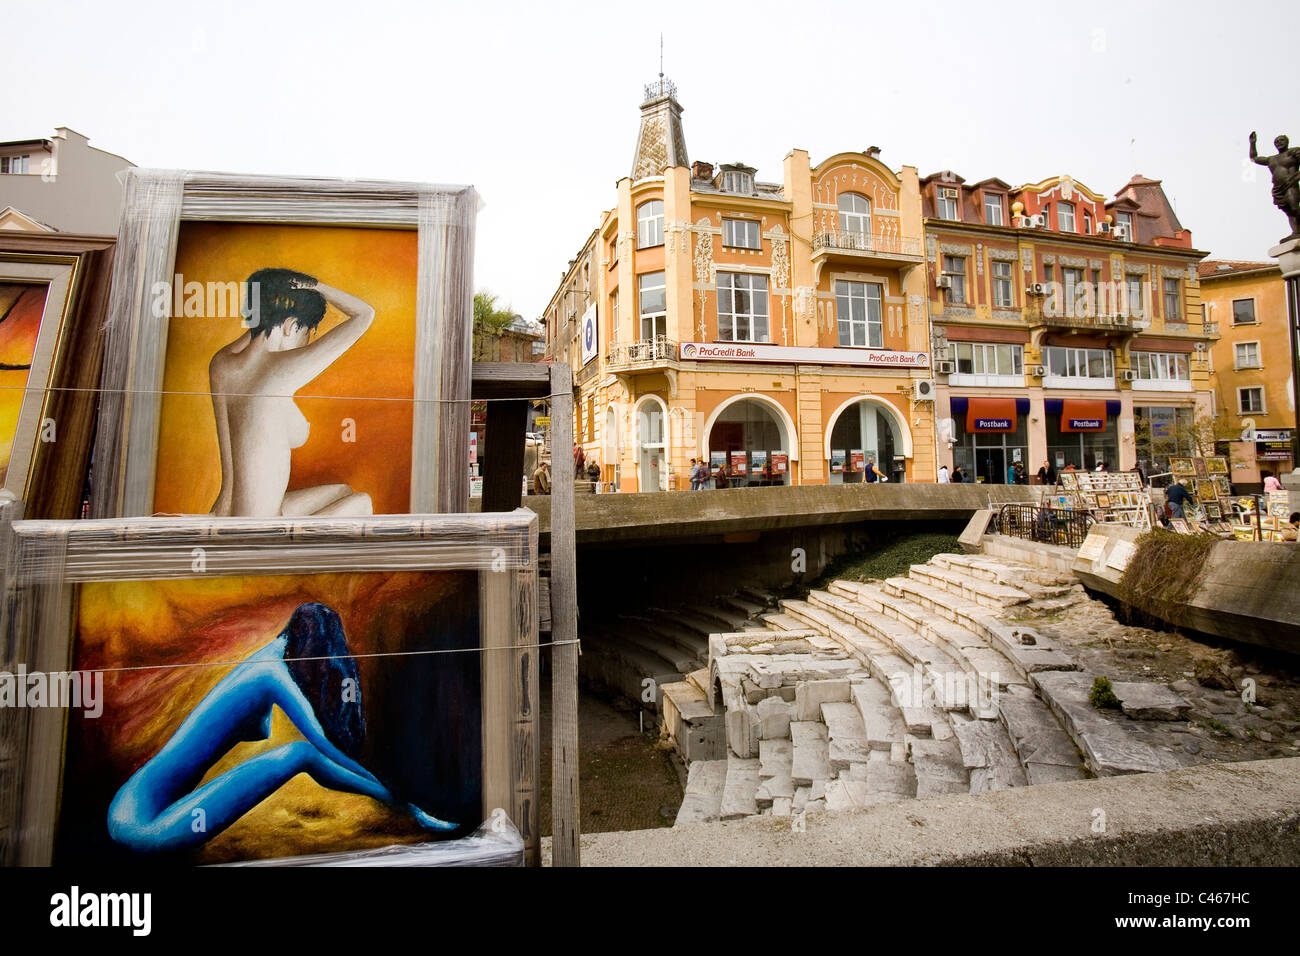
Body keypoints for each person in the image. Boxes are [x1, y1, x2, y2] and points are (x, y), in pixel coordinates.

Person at [107, 603, 456, 853]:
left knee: (300, 754)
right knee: (299, 754)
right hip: (143, 826)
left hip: (136, 804)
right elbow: (318, 742)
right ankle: (411, 811)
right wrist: (386, 790)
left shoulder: (268, 657)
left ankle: (407, 807)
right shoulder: (270, 672)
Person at [209, 269, 374, 517]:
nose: (306, 341)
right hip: (262, 531)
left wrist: (272, 299)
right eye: (308, 332)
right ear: (291, 326)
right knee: (362, 502)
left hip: (226, 517)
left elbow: (261, 325)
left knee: (342, 491)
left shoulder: (221, 365)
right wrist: (317, 286)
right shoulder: (279, 370)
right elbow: (365, 314)